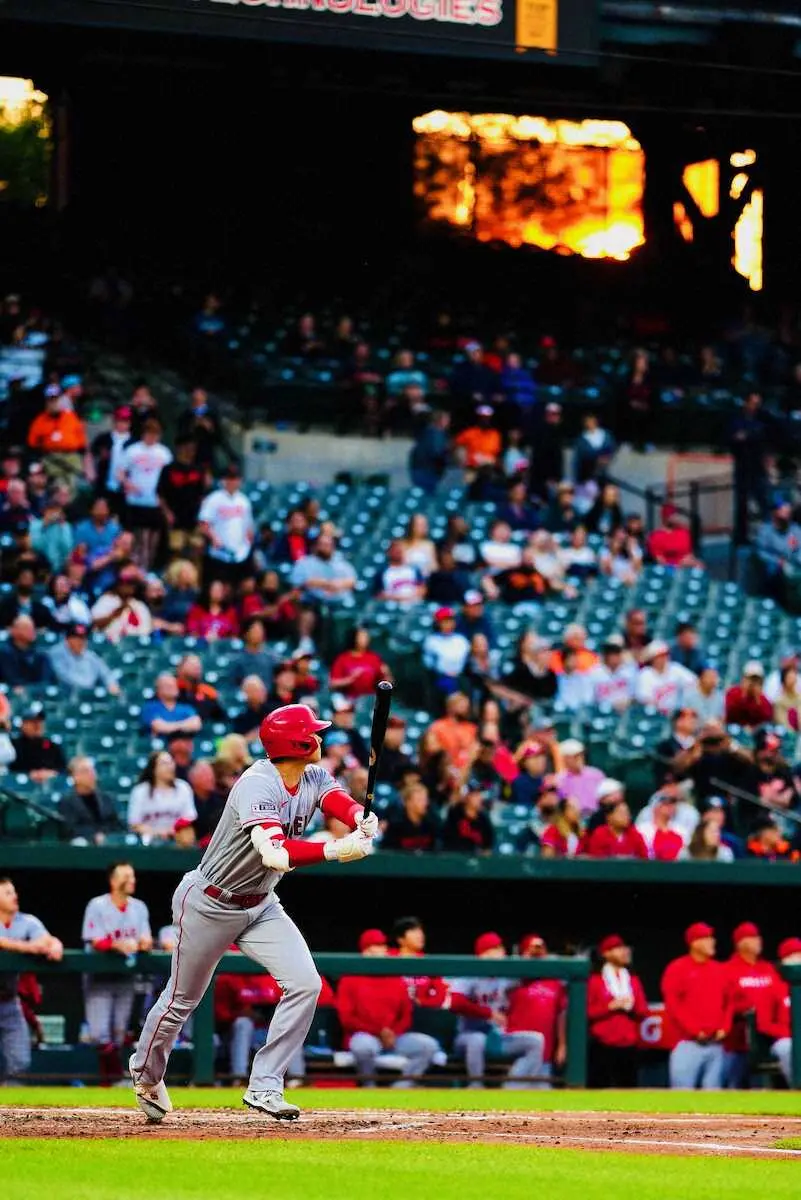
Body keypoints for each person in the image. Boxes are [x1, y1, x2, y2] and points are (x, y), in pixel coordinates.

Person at [129, 704, 377, 1122]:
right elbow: (275, 854)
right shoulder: (256, 784)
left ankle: (265, 1085)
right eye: (312, 733)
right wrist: (337, 849)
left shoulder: (313, 775)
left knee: (306, 984)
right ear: (295, 743)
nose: (319, 738)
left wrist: (361, 819)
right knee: (181, 1000)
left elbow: (337, 800)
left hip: (260, 903)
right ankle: (146, 1074)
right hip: (209, 902)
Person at [336, 929, 439, 1087]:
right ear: (366, 951)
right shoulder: (350, 978)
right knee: (362, 1047)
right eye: (377, 945)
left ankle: (401, 1088)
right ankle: (370, 1087)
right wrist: (378, 1032)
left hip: (394, 1037)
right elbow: (346, 1018)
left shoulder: (395, 977)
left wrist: (393, 1033)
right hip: (365, 1035)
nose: (383, 949)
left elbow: (406, 1014)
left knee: (428, 1046)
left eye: (383, 945)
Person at [82, 863, 153, 1084]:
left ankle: (111, 1083)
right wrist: (117, 945)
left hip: (125, 977)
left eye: (133, 876)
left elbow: (146, 939)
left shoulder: (139, 907)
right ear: (113, 881)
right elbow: (94, 940)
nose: (132, 880)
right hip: (99, 978)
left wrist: (144, 943)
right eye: (126, 876)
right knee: (100, 1035)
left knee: (119, 1034)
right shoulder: (97, 905)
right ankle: (113, 1080)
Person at [452, 932, 545, 1089]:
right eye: (494, 948)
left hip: (497, 1037)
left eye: (501, 948)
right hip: (467, 1037)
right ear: (483, 955)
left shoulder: (505, 975)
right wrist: (488, 1013)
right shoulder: (470, 973)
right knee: (477, 1039)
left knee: (535, 1041)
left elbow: (529, 975)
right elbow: (455, 1002)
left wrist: (530, 958)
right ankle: (476, 1086)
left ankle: (512, 1089)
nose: (501, 952)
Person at [0, 876, 63, 1084]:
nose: (14, 896)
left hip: (9, 1001)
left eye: (14, 892)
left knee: (20, 1062)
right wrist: (27, 947)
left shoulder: (26, 921)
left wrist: (55, 945)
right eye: (8, 893)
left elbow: (47, 940)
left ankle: (10, 1103)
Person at [661, 922, 732, 1089]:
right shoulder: (677, 968)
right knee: (683, 1096)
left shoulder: (720, 969)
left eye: (711, 937)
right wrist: (694, 1030)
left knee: (713, 1097)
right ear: (694, 943)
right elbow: (673, 1005)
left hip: (716, 1044)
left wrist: (725, 1027)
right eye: (707, 938)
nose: (712, 941)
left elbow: (729, 1002)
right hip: (687, 1043)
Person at [723, 921, 790, 1088]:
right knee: (733, 1088)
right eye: (752, 937)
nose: (758, 940)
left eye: (758, 937)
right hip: (736, 1041)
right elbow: (724, 1003)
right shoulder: (727, 969)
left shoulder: (768, 968)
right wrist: (749, 1008)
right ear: (740, 943)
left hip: (765, 1042)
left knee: (761, 1088)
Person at [503, 935, 566, 1086]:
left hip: (545, 1054)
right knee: (513, 1094)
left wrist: (562, 1045)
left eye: (541, 947)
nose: (538, 951)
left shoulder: (554, 982)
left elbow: (561, 1015)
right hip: (518, 1050)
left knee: (543, 1096)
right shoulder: (515, 980)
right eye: (533, 948)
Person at [587, 934, 648, 1088]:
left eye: (624, 948)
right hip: (602, 1044)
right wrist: (609, 1007)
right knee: (598, 1090)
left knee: (628, 1090)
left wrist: (630, 1006)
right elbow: (586, 1012)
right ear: (606, 954)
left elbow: (643, 1011)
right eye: (618, 948)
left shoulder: (633, 980)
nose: (624, 952)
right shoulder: (595, 980)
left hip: (629, 1045)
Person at [117, 417, 172, 567]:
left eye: (155, 434)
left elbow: (170, 477)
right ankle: (134, 566)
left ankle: (148, 566)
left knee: (152, 539)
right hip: (135, 501)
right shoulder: (133, 450)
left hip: (155, 502)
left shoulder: (164, 453)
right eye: (149, 433)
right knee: (136, 538)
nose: (151, 437)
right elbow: (120, 472)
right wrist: (128, 484)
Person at [198, 464, 255, 584]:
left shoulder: (244, 501)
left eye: (235, 478)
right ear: (223, 480)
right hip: (219, 553)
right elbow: (204, 523)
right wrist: (214, 538)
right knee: (219, 586)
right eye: (229, 478)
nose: (232, 482)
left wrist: (248, 541)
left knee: (241, 585)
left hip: (240, 552)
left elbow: (248, 526)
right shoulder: (214, 499)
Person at [127, 750, 198, 842]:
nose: (170, 766)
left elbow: (190, 819)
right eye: (164, 763)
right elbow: (134, 824)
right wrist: (158, 832)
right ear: (153, 769)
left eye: (171, 762)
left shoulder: (183, 787)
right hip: (148, 841)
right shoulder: (140, 791)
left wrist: (173, 831)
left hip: (178, 841)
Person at [157, 434, 207, 559]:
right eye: (187, 448)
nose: (190, 452)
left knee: (196, 553)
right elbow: (160, 494)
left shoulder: (199, 469)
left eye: (192, 449)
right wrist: (167, 513)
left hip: (194, 519)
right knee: (176, 552)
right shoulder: (168, 469)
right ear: (179, 449)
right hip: (175, 519)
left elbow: (202, 495)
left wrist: (202, 516)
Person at [60, 757, 123, 843]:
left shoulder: (107, 798)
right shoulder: (67, 801)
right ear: (74, 777)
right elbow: (69, 829)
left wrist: (105, 835)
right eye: (86, 771)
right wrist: (93, 836)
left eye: (92, 770)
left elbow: (117, 825)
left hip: (109, 843)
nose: (92, 774)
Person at [48, 623, 120, 694]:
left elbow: (105, 672)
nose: (81, 642)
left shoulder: (89, 655)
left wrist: (111, 684)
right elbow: (64, 676)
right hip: (65, 693)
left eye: (83, 638)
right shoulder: (56, 653)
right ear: (68, 640)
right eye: (77, 638)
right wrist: (88, 687)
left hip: (86, 693)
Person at [290, 532, 357, 607]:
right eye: (322, 544)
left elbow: (352, 582)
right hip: (313, 603)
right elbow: (298, 583)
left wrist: (336, 584)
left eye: (329, 545)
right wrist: (326, 584)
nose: (326, 548)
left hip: (340, 604)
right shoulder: (304, 563)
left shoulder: (341, 562)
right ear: (315, 546)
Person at [91, 565, 153, 643]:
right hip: (108, 644)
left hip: (133, 645)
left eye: (130, 583)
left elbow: (146, 632)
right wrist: (113, 615)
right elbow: (94, 624)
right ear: (118, 584)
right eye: (123, 583)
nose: (126, 586)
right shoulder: (107, 599)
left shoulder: (140, 605)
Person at [635, 642, 695, 715]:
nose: (664, 658)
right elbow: (644, 699)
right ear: (652, 658)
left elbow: (693, 682)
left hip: (677, 713)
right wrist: (662, 709)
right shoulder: (645, 673)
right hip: (656, 715)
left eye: (666, 654)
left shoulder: (675, 668)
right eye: (660, 655)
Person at [422, 607, 471, 698]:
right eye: (445, 621)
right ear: (438, 623)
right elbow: (429, 665)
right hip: (440, 678)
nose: (448, 624)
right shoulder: (431, 641)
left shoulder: (461, 640)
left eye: (450, 620)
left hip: (460, 676)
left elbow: (467, 661)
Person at [90, 405, 133, 506]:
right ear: (114, 421)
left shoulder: (134, 443)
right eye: (119, 421)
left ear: (129, 423)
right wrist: (91, 472)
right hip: (103, 484)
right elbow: (90, 453)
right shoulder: (104, 438)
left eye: (125, 421)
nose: (122, 424)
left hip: (124, 488)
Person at [11, 704, 66, 781]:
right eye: (33, 722)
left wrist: (52, 773)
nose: (37, 725)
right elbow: (10, 770)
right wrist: (29, 774)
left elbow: (63, 770)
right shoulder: (14, 745)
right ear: (23, 724)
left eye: (40, 721)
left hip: (49, 785)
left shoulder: (52, 747)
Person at [582, 796, 648, 859]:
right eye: (621, 813)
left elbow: (644, 859)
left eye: (627, 813)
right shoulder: (599, 834)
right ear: (609, 816)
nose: (626, 816)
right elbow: (596, 859)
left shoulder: (635, 834)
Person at [0, 615, 56, 689]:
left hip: (37, 692)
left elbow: (46, 679)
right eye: (26, 628)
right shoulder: (4, 652)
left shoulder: (41, 653)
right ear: (14, 630)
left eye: (32, 627)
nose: (31, 631)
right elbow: (12, 680)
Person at [381, 782, 440, 852]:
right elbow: (388, 851)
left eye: (425, 799)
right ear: (407, 802)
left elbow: (438, 848)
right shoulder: (396, 824)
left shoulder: (432, 822)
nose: (425, 803)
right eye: (419, 800)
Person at [554, 740, 605, 820]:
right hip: (574, 819)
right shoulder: (559, 780)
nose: (579, 758)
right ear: (565, 759)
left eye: (580, 755)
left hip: (598, 817)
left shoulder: (597, 774)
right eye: (575, 756)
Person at [140, 673, 202, 738]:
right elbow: (159, 727)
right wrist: (185, 725)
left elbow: (196, 724)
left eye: (174, 685)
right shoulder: (150, 707)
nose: (173, 688)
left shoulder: (186, 708)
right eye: (168, 686)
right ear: (158, 690)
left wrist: (170, 726)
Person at [502, 633, 557, 703]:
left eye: (549, 652)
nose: (547, 655)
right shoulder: (520, 671)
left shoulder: (551, 674)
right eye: (544, 652)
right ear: (535, 654)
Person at [587, 634, 636, 710]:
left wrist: (628, 702)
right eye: (611, 652)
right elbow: (590, 700)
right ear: (606, 654)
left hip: (626, 710)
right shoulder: (595, 672)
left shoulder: (629, 671)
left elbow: (636, 697)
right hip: (601, 711)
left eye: (617, 652)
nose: (614, 656)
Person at [441, 785, 495, 853]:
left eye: (479, 795)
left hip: (477, 857)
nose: (479, 798)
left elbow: (488, 846)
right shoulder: (455, 814)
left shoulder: (484, 819)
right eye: (475, 795)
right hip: (455, 855)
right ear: (467, 797)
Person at [372, 539, 426, 605]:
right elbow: (379, 595)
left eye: (400, 550)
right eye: (396, 550)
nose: (399, 552)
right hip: (392, 606)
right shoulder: (382, 572)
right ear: (389, 552)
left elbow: (422, 589)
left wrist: (406, 597)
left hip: (414, 605)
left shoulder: (414, 569)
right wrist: (400, 597)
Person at [408, 410, 450, 493]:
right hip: (428, 470)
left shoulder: (426, 432)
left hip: (418, 468)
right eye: (446, 420)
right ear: (439, 421)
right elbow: (437, 453)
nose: (448, 423)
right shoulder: (436, 433)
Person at [724, 661, 773, 728]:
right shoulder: (733, 693)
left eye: (756, 680)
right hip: (734, 730)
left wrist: (757, 699)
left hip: (755, 732)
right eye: (750, 679)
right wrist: (744, 695)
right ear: (743, 678)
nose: (753, 683)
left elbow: (767, 719)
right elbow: (730, 714)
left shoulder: (763, 699)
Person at [573, 412, 616, 485]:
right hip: (589, 473)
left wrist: (607, 457)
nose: (590, 424)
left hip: (606, 470)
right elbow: (579, 458)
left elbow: (611, 448)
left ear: (596, 421)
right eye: (587, 422)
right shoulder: (581, 439)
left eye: (591, 421)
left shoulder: (605, 434)